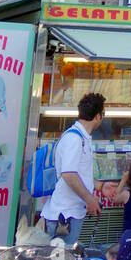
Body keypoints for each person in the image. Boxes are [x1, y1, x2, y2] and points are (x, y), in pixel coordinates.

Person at [40, 93, 105, 244]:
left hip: (70, 213)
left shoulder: (81, 137)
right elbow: (69, 175)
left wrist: (100, 186)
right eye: (103, 113)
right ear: (97, 116)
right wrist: (90, 199)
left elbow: (76, 173)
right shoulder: (74, 139)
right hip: (64, 217)